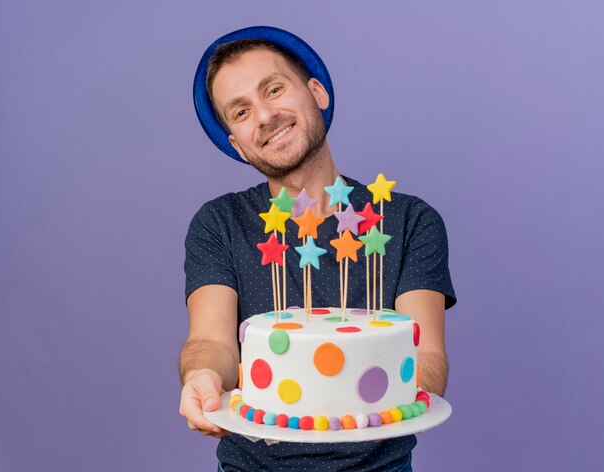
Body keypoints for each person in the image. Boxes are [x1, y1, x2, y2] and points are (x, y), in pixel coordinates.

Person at [179, 26, 456, 472]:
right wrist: (202, 376)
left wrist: (381, 407)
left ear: (316, 93)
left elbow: (426, 356)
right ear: (236, 142)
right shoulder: (219, 224)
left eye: (274, 89)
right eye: (242, 112)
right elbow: (210, 341)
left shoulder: (407, 221)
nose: (265, 115)